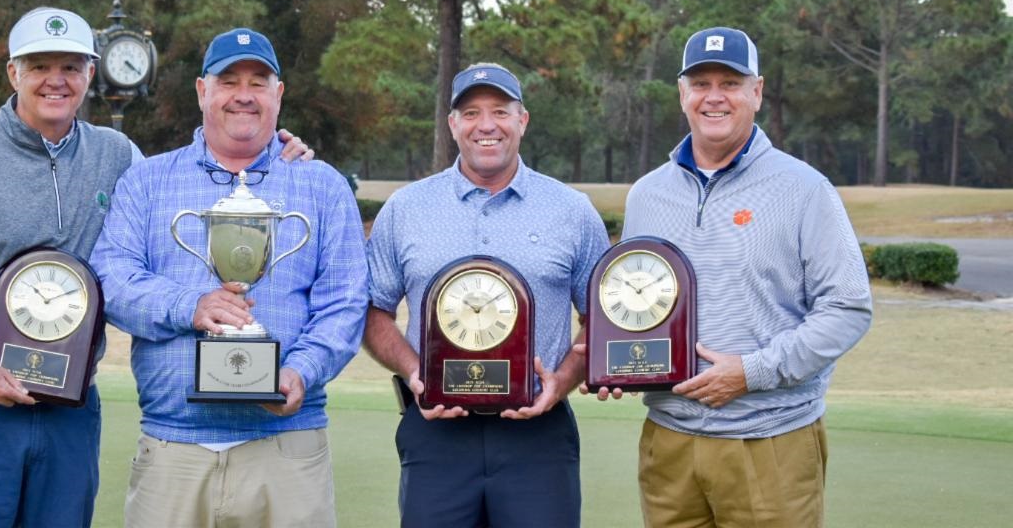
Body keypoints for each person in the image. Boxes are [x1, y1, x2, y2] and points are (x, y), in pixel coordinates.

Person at [0, 8, 310, 528]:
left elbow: (191, 184)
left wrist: (273, 156)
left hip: (70, 410)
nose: (56, 80)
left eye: (71, 67)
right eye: (39, 66)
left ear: (90, 74)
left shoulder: (118, 155)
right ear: (13, 73)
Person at [88, 27, 367, 528]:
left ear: (279, 94)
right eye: (228, 80)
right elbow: (113, 280)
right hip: (173, 449)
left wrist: (300, 371)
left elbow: (344, 303)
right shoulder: (147, 181)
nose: (244, 94)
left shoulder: (322, 185)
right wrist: (192, 305)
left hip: (287, 449)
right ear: (202, 91)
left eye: (258, 82)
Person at [606, 26, 873, 527]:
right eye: (700, 83)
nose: (714, 97)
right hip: (669, 441)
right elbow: (636, 301)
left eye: (730, 83)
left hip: (769, 439)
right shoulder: (647, 195)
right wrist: (616, 364)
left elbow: (848, 307)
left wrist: (752, 372)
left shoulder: (803, 189)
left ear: (757, 91)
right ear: (682, 94)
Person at [365, 62, 611, 528]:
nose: (486, 125)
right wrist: (415, 371)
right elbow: (374, 308)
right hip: (437, 429)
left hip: (537, 431)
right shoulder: (406, 209)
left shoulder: (571, 211)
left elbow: (599, 317)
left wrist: (562, 381)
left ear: (523, 120)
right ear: (452, 124)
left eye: (500, 111)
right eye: (471, 113)